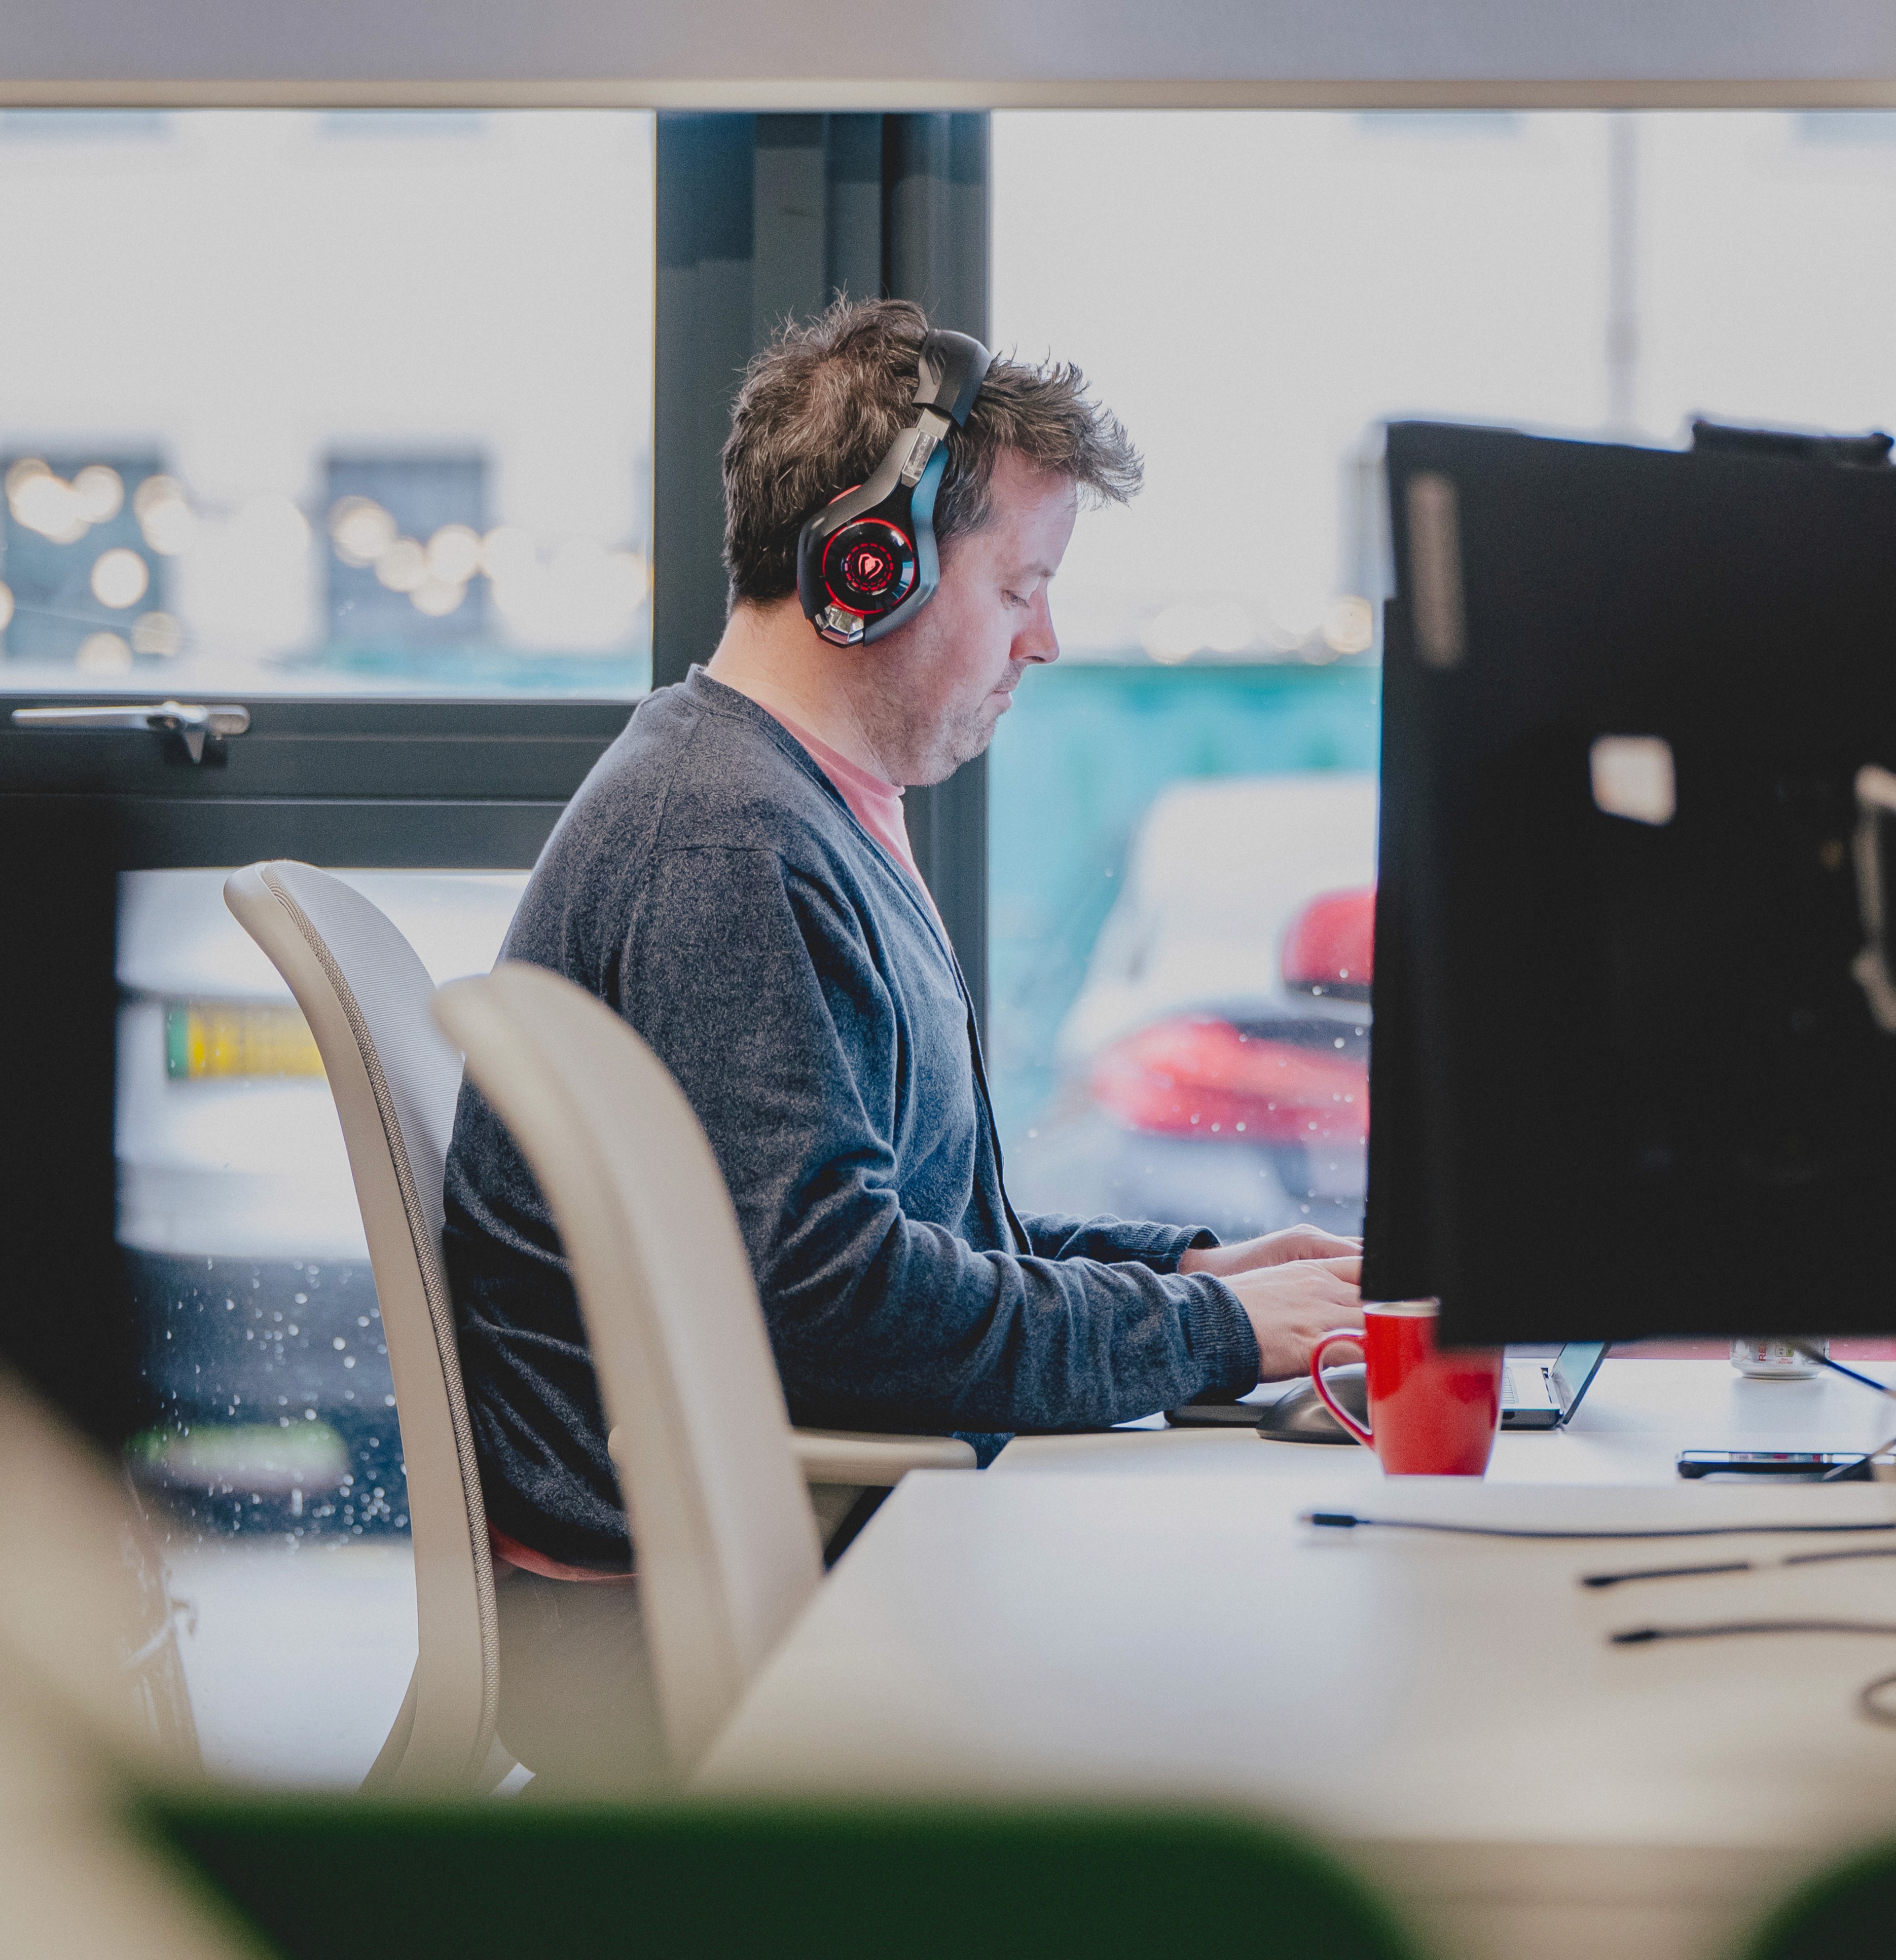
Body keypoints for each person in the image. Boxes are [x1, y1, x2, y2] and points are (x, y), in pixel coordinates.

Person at [441, 298, 1363, 1782]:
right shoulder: (728, 843)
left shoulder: (787, 803)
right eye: (1024, 588)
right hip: (674, 1613)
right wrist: (1210, 1336)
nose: (1048, 641)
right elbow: (836, 1299)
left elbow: (902, 1227)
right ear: (869, 570)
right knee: (1261, 1675)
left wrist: (1193, 1274)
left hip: (758, 1536)